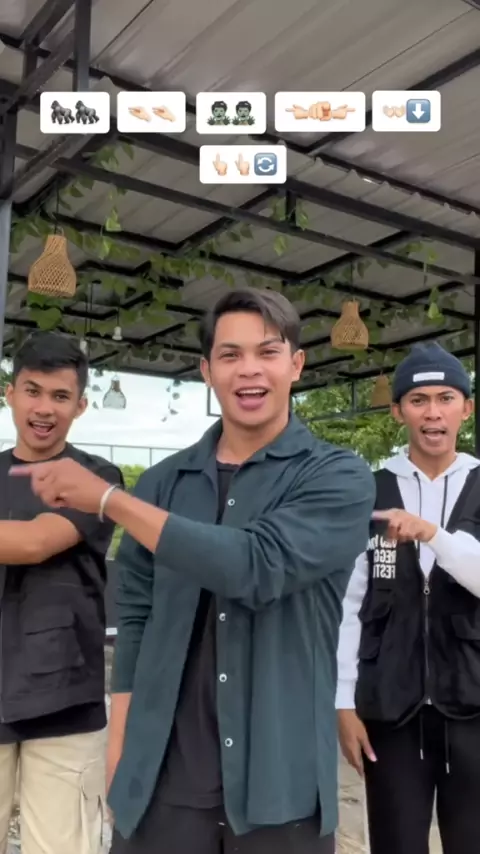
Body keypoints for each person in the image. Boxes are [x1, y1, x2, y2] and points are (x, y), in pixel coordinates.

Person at [14, 289, 376, 854]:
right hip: (162, 779)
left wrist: (110, 500)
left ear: (296, 364)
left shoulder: (337, 476)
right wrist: (121, 747)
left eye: (268, 352)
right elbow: (135, 617)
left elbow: (256, 565)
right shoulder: (164, 482)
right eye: (230, 355)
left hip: (282, 782)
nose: (249, 369)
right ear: (207, 371)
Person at [336, 342, 480, 854]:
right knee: (395, 843)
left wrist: (433, 535)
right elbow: (348, 606)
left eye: (446, 398)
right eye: (418, 400)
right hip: (390, 710)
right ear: (398, 411)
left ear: (467, 408)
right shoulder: (370, 492)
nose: (433, 412)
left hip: (472, 706)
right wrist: (342, 702)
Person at [0, 332, 123, 854]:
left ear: (80, 405)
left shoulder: (95, 479)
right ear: (10, 393)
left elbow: (34, 542)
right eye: (32, 391)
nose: (44, 408)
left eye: (60, 396)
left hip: (64, 700)